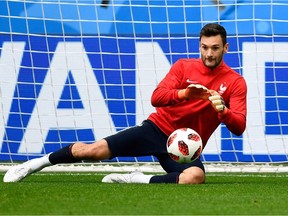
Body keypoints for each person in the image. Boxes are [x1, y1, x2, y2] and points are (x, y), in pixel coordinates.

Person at [3, 23, 247, 184]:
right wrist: (184, 94)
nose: (209, 54)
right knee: (92, 151)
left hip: (185, 146)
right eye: (204, 47)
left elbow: (239, 127)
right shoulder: (184, 66)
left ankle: (136, 178)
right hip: (156, 129)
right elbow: (156, 97)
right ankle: (32, 165)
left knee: (194, 177)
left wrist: (223, 112)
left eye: (215, 48)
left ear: (225, 48)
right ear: (199, 46)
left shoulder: (235, 82)